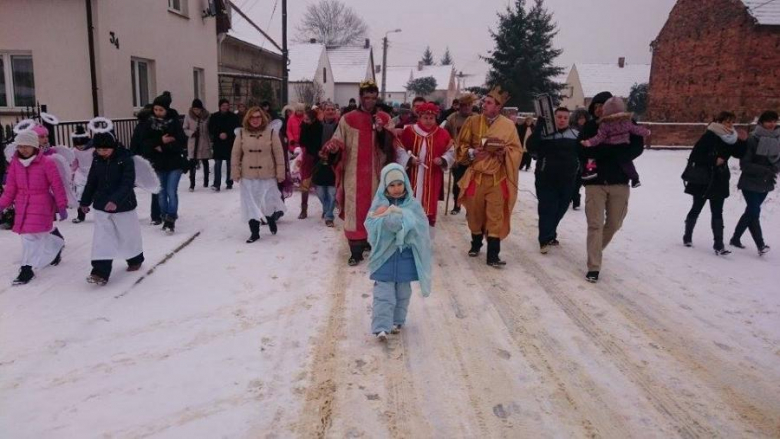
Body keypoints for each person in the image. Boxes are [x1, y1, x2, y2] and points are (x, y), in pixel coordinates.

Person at [323, 80, 396, 266]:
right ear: (361, 97)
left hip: (377, 175)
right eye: (366, 97)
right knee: (354, 210)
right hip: (353, 174)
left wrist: (381, 132)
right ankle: (355, 250)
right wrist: (333, 147)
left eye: (373, 97)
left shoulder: (384, 118)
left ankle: (371, 243)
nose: (370, 101)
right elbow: (338, 140)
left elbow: (392, 147)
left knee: (376, 209)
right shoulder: (348, 118)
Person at [580, 91, 645, 283]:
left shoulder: (627, 123)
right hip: (595, 182)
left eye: (603, 105)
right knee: (595, 224)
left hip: (619, 181)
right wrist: (610, 151)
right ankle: (594, 266)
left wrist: (617, 154)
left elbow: (637, 146)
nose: (600, 109)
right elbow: (582, 149)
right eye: (596, 105)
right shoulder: (591, 127)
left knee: (615, 222)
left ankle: (595, 249)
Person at [456, 87, 523, 267]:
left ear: (498, 107)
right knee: (475, 215)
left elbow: (517, 150)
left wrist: (504, 153)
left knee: (495, 216)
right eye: (484, 102)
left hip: (497, 178)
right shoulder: (473, 121)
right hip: (476, 176)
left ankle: (493, 255)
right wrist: (471, 153)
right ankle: (476, 243)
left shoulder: (508, 126)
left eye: (488, 102)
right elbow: (461, 146)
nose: (484, 105)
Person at [365, 163, 432, 341]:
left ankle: (397, 320)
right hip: (385, 257)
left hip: (405, 257)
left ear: (406, 184)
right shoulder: (379, 205)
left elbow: (421, 227)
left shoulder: (413, 205)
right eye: (392, 185)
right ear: (385, 186)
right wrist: (384, 221)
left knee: (403, 292)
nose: (396, 189)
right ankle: (381, 326)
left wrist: (405, 221)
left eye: (399, 184)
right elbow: (370, 226)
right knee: (383, 293)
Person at [0, 129, 68, 285]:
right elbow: (10, 188)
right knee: (39, 232)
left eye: (27, 146)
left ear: (34, 146)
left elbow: (57, 185)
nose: (23, 149)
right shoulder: (15, 165)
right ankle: (56, 243)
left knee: (30, 236)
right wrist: (1, 205)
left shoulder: (47, 163)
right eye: (20, 146)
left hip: (41, 202)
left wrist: (61, 205)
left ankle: (27, 269)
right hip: (22, 203)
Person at [78, 133, 145, 285]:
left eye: (106, 150)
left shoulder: (126, 159)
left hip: (124, 206)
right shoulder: (96, 160)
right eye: (99, 150)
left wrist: (115, 200)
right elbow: (92, 182)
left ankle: (135, 258)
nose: (102, 153)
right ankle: (99, 272)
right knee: (102, 239)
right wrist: (85, 201)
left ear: (113, 147)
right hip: (101, 205)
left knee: (127, 235)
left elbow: (127, 183)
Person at [681, 111, 748, 255]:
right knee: (697, 207)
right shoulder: (710, 135)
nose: (730, 125)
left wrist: (742, 141)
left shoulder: (731, 137)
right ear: (719, 121)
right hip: (704, 178)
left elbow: (739, 154)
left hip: (720, 178)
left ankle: (718, 244)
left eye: (732, 122)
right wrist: (713, 160)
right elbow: (695, 156)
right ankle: (687, 236)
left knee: (717, 211)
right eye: (727, 122)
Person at [526, 108, 580, 253]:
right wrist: (539, 127)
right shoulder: (544, 134)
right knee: (546, 208)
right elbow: (530, 146)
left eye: (565, 117)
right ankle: (544, 239)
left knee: (560, 209)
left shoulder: (576, 135)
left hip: (567, 180)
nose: (562, 120)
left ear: (569, 120)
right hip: (546, 178)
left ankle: (550, 233)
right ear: (553, 118)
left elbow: (583, 154)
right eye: (559, 117)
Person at [396, 102, 454, 232]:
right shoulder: (409, 131)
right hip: (412, 176)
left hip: (433, 177)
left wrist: (443, 160)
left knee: (429, 205)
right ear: (419, 117)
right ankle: (409, 235)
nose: (428, 121)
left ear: (435, 118)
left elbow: (451, 152)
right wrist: (409, 160)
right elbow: (399, 150)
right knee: (411, 204)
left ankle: (425, 239)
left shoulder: (442, 134)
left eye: (431, 118)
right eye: (425, 118)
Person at [231, 107, 287, 243]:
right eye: (252, 117)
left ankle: (270, 219)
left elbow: (279, 154)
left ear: (262, 118)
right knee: (250, 203)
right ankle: (254, 232)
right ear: (248, 119)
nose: (255, 120)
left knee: (268, 201)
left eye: (258, 117)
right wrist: (235, 172)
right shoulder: (242, 134)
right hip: (248, 175)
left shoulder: (271, 133)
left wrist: (280, 172)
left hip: (267, 174)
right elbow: (235, 154)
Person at [729, 110, 779, 255]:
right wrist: (766, 169)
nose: (772, 124)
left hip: (766, 182)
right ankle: (760, 245)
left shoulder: (778, 139)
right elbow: (745, 164)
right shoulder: (752, 139)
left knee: (750, 212)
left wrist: (774, 168)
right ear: (761, 122)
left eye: (774, 121)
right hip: (750, 181)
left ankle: (735, 238)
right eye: (769, 121)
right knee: (754, 211)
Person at [142, 92, 188, 234]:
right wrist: (160, 141)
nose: (158, 112)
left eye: (161, 110)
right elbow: (145, 143)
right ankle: (164, 215)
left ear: (166, 109)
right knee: (161, 193)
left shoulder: (174, 122)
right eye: (155, 109)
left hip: (174, 163)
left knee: (171, 191)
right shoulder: (149, 123)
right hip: (158, 163)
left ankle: (171, 218)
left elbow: (181, 142)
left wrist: (165, 146)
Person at [581, 96, 650, 188]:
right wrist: (646, 132)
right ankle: (635, 178)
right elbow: (636, 130)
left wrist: (589, 142)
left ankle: (590, 170)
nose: (598, 109)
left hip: (610, 145)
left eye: (601, 106)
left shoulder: (605, 124)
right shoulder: (627, 122)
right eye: (596, 107)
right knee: (626, 163)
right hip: (624, 146)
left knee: (591, 157)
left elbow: (599, 137)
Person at [445, 93, 477, 215]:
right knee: (458, 182)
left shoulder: (478, 118)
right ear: (460, 106)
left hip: (473, 156)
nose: (467, 108)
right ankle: (456, 205)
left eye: (469, 105)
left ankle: (470, 208)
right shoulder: (452, 118)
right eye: (464, 105)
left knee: (471, 184)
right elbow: (445, 135)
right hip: (457, 157)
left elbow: (485, 135)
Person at [130, 104, 162, 225]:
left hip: (142, 159)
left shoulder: (139, 126)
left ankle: (155, 215)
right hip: (155, 158)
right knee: (157, 186)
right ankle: (156, 215)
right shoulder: (154, 127)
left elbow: (134, 144)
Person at [312, 102, 340, 227]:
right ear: (323, 111)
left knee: (332, 191)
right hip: (319, 162)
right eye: (327, 109)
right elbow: (308, 141)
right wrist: (316, 152)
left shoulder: (340, 126)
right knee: (320, 191)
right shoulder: (316, 125)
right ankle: (326, 207)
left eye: (332, 109)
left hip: (333, 163)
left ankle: (329, 215)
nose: (330, 111)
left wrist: (335, 151)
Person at [208, 99, 240, 191]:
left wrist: (228, 134)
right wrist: (218, 134)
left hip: (229, 142)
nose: (225, 107)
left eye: (227, 105)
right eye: (223, 105)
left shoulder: (233, 117)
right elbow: (210, 128)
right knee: (217, 163)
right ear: (220, 106)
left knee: (230, 163)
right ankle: (216, 183)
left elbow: (236, 128)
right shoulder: (214, 116)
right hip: (218, 143)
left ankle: (229, 182)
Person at [183, 98, 212, 192]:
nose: (196, 111)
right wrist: (191, 133)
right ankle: (192, 184)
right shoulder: (188, 116)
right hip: (193, 142)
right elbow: (185, 128)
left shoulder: (207, 116)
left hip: (204, 141)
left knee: (205, 162)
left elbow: (210, 128)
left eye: (198, 109)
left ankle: (206, 181)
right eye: (195, 109)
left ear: (201, 109)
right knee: (192, 163)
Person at [297, 108, 319, 219]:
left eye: (307, 119)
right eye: (304, 119)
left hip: (318, 157)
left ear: (313, 119)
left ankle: (327, 208)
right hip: (307, 157)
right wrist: (304, 128)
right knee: (305, 183)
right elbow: (301, 142)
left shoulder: (319, 127)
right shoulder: (304, 127)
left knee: (320, 185)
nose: (305, 121)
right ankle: (303, 209)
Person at [70, 125, 93, 223]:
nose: (80, 146)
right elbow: (74, 163)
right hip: (81, 174)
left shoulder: (93, 149)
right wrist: (71, 173)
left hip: (93, 173)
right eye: (78, 145)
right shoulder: (75, 151)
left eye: (82, 144)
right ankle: (81, 215)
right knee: (80, 193)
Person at [569, 109, 589, 210]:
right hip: (572, 158)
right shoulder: (571, 129)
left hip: (583, 159)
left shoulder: (589, 129)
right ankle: (570, 198)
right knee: (570, 179)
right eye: (580, 118)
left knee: (578, 181)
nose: (582, 120)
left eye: (583, 118)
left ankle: (575, 200)